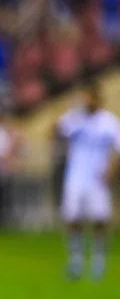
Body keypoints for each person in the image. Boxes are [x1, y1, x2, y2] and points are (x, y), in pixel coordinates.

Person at [54, 82, 120, 280]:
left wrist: (110, 169)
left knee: (100, 220)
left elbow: (118, 149)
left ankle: (98, 262)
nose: (85, 101)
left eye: (88, 97)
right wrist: (68, 110)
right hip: (75, 177)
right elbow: (54, 131)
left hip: (97, 178)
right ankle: (76, 261)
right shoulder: (74, 119)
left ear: (97, 99)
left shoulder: (109, 122)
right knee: (72, 218)